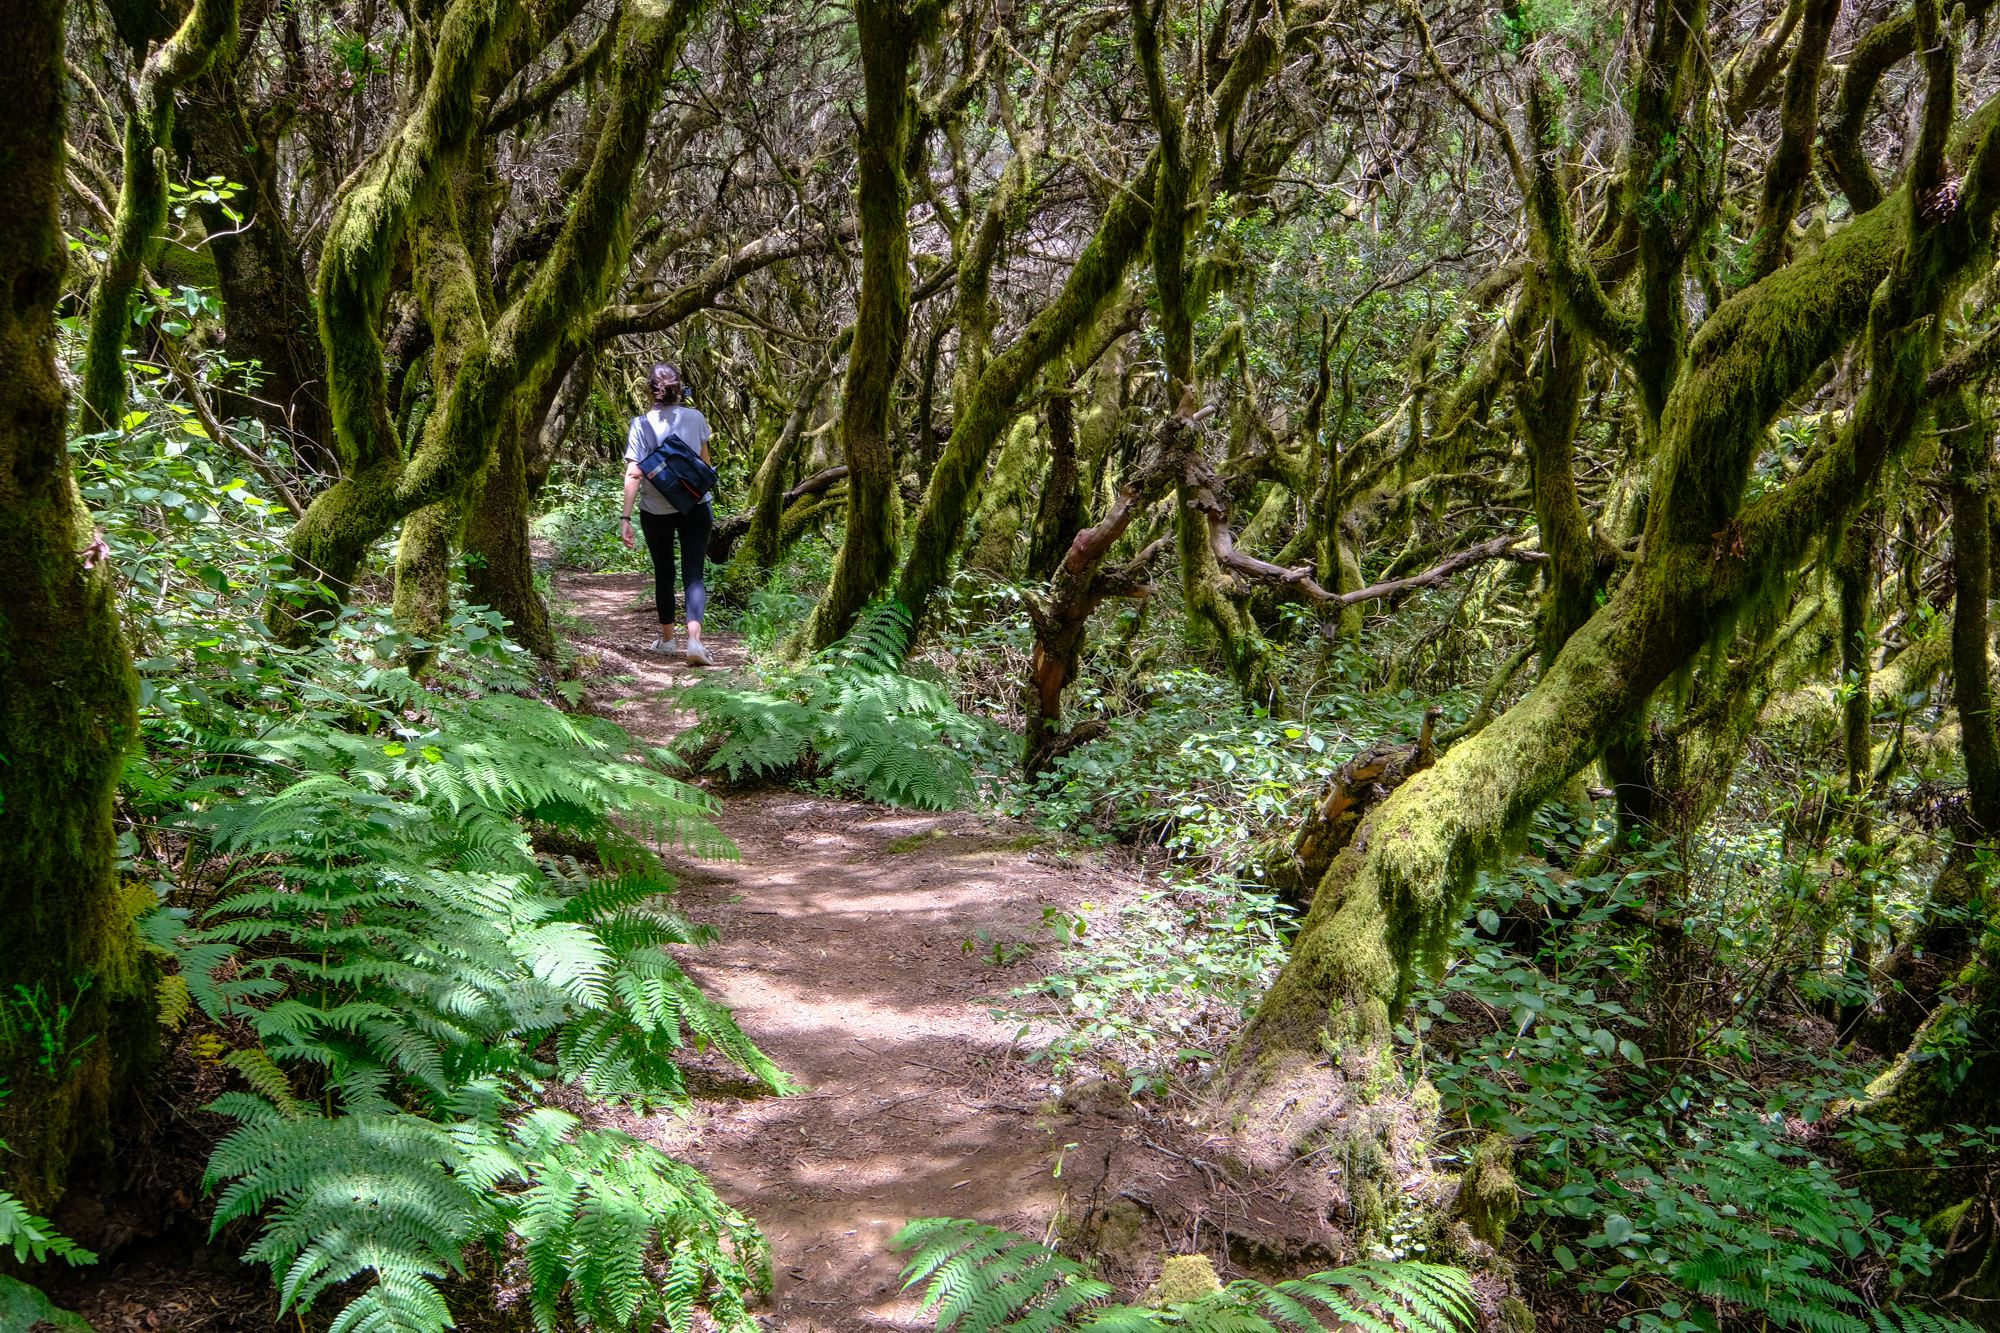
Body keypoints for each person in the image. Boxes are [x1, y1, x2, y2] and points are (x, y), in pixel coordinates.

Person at [620, 363, 716, 665]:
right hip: (697, 506)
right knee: (694, 574)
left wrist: (625, 517)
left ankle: (668, 640)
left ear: (651, 389)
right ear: (679, 388)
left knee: (664, 572)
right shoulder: (696, 417)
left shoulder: (640, 424)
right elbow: (704, 463)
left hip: (655, 510)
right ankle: (695, 643)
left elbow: (634, 474)